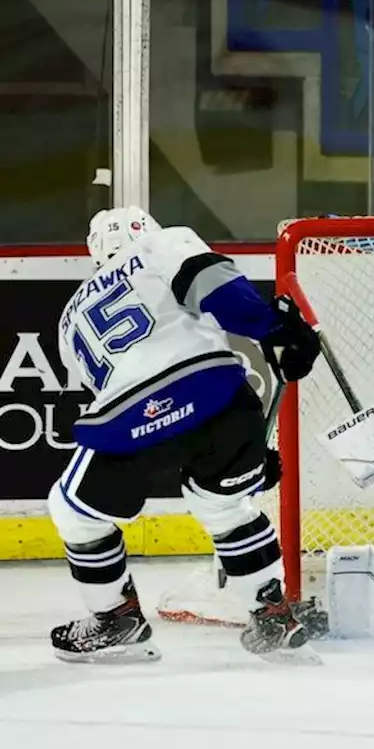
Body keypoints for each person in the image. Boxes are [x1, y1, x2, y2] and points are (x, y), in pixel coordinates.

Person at [49, 207, 321, 663]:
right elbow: (215, 287)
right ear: (147, 229)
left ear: (95, 251)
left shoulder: (69, 318)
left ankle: (116, 618)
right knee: (226, 504)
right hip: (224, 396)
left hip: (132, 409)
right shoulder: (165, 242)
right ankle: (273, 616)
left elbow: (127, 398)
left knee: (74, 510)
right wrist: (276, 329)